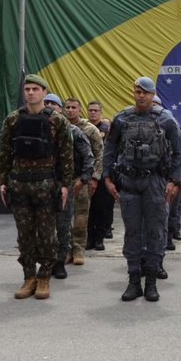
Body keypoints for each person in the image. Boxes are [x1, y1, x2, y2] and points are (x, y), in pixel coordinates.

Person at [102, 77, 181, 303]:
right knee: (132, 232)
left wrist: (173, 180)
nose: (141, 96)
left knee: (156, 231)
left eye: (145, 92)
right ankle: (133, 281)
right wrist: (107, 176)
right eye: (137, 91)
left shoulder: (166, 119)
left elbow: (180, 152)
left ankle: (151, 282)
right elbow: (109, 147)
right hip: (129, 181)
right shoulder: (121, 119)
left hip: (155, 182)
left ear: (153, 95)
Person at [0, 75, 73, 299]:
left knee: (48, 235)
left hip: (46, 185)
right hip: (19, 184)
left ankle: (44, 277)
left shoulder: (57, 121)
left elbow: (66, 155)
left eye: (35, 89)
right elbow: (4, 153)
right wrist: (3, 182)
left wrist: (66, 185)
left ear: (44, 92)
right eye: (27, 89)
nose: (30, 93)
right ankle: (29, 277)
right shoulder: (12, 120)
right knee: (25, 235)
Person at [43, 94, 94, 280]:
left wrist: (84, 179)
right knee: (44, 225)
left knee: (65, 224)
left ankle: (64, 258)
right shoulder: (39, 128)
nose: (49, 106)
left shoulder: (73, 131)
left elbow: (89, 157)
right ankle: (47, 260)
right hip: (42, 183)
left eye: (53, 104)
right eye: (46, 103)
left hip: (67, 183)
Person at [64, 97, 103, 263]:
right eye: (68, 107)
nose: (70, 110)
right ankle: (66, 250)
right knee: (63, 218)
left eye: (74, 107)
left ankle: (79, 249)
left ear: (79, 110)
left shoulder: (90, 129)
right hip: (63, 180)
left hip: (82, 179)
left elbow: (99, 154)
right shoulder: (59, 126)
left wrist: (94, 178)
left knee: (81, 216)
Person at [87, 100, 114, 249]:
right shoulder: (84, 128)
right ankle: (89, 238)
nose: (93, 113)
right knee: (88, 208)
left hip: (102, 173)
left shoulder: (107, 129)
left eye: (95, 110)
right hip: (87, 172)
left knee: (101, 207)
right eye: (90, 110)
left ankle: (99, 238)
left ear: (100, 112)